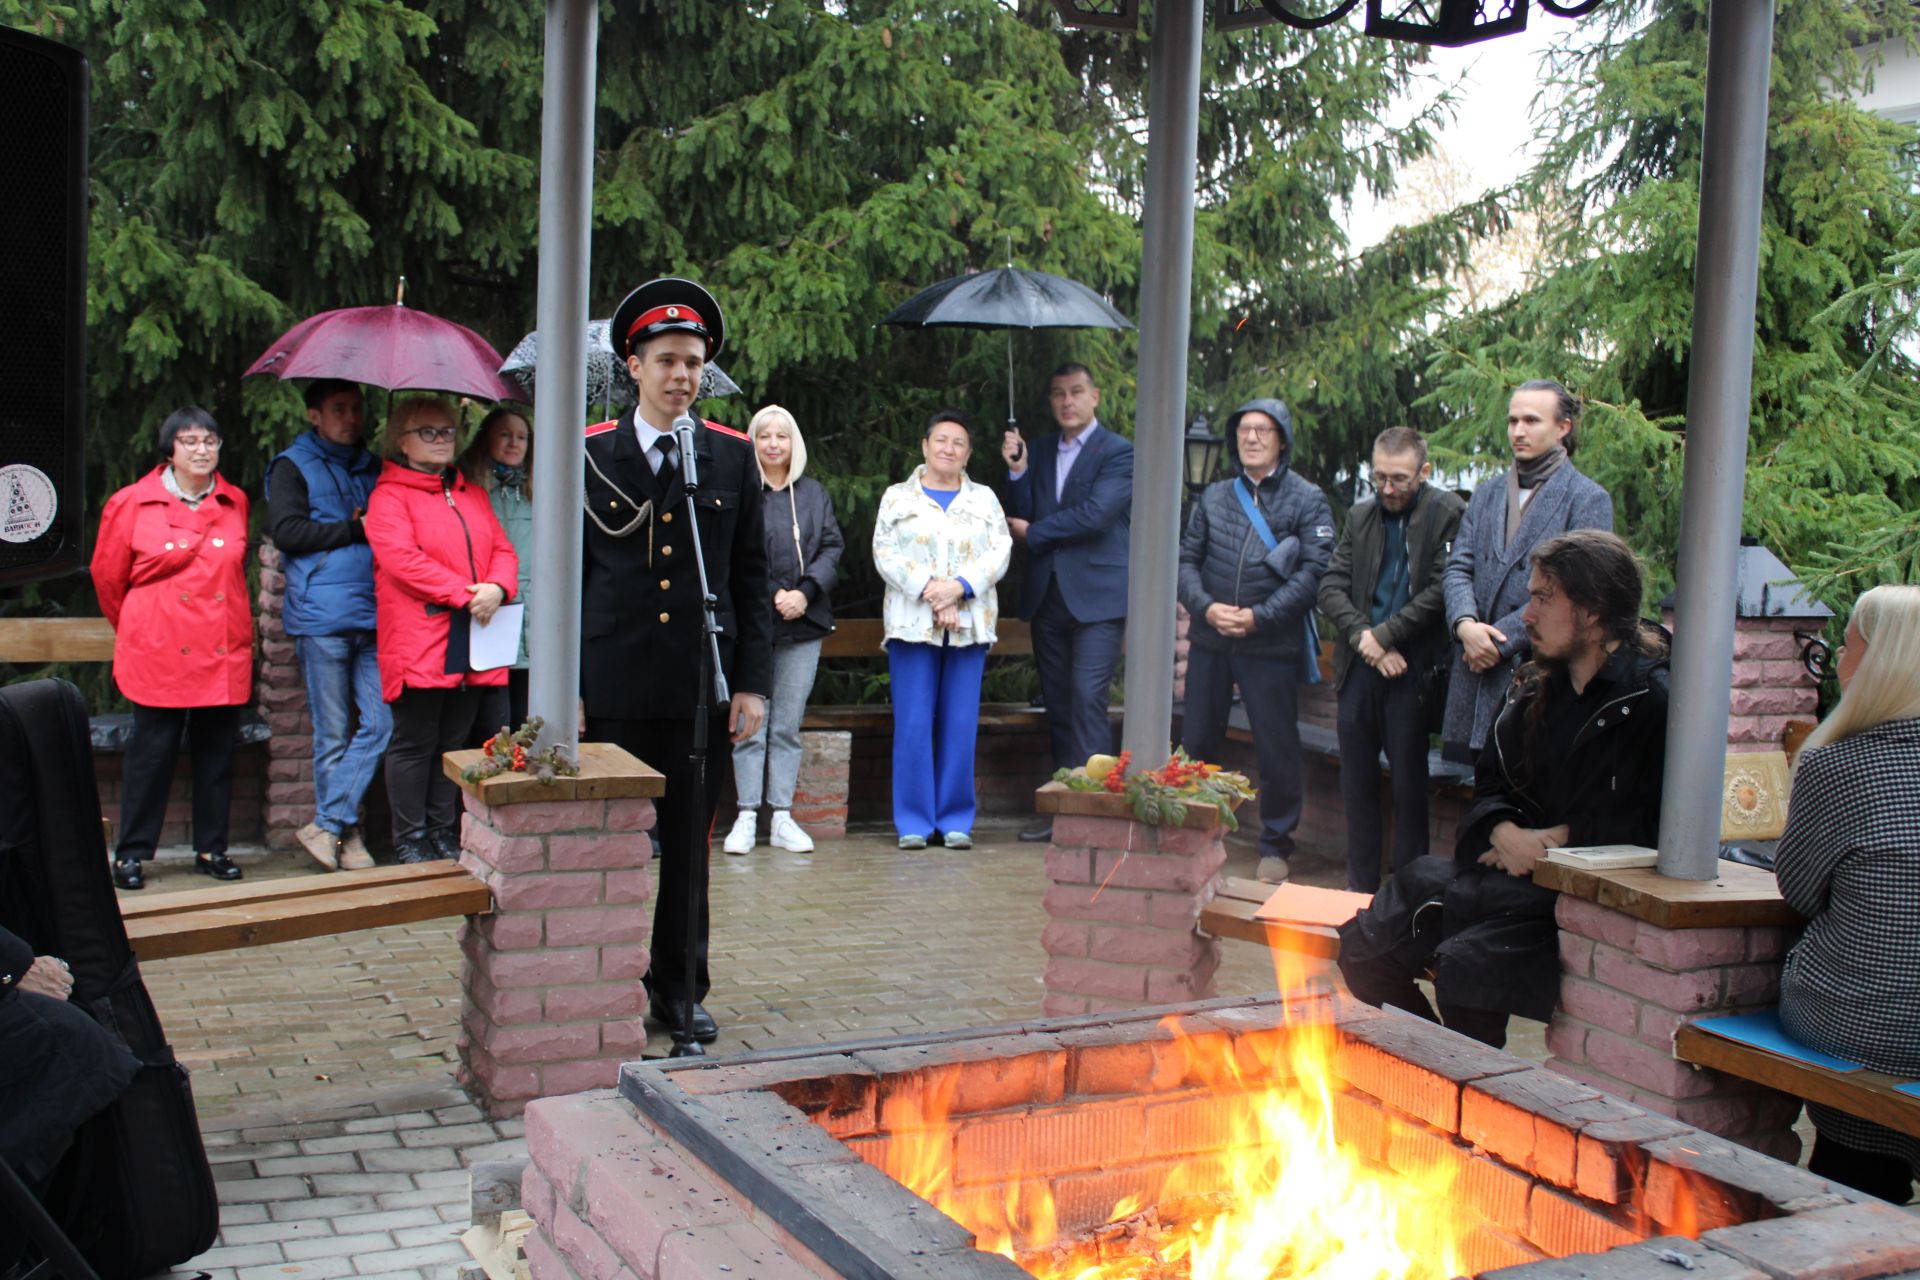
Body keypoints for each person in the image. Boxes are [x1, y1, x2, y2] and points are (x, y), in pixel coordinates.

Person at [1338, 530, 1668, 1050]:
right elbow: (1492, 785)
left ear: (1592, 611)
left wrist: (1562, 840)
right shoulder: (1534, 687)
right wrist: (1503, 828)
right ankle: (1429, 1068)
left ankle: (1471, 1092)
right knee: (1363, 945)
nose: (1527, 614)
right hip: (1504, 882)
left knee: (1466, 968)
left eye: (1542, 598)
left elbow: (1665, 830)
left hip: (1580, 907)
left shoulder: (1653, 702)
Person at [582, 278, 771, 1046]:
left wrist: (752, 681)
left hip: (702, 683)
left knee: (689, 851)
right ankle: (597, 982)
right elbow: (568, 577)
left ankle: (680, 988)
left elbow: (753, 575)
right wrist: (567, 692)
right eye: (665, 360)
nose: (681, 377)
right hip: (615, 683)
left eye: (693, 362)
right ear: (634, 365)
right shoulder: (592, 453)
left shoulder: (728, 457)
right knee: (606, 845)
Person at [1775, 585, 1920, 1204]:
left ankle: (1850, 1208)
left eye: (1848, 644)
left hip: (1860, 1025)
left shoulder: (1837, 765)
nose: (1835, 658)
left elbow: (1799, 892)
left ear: (1881, 662)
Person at [91, 407, 253, 890]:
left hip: (220, 649)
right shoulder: (130, 503)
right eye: (189, 441)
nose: (201, 450)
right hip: (157, 649)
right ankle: (133, 854)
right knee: (151, 756)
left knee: (216, 754)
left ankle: (212, 847)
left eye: (210, 440)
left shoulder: (234, 501)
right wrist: (144, 627)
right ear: (170, 449)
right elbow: (107, 577)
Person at [1177, 398, 1335, 885]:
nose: (1252, 438)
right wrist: (1206, 608)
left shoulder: (1308, 499)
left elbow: (1314, 573)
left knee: (1276, 747)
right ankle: (1193, 834)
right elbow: (1185, 562)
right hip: (1211, 638)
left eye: (1263, 431)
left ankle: (1274, 845)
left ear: (1281, 440)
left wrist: (1258, 618)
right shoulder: (1215, 497)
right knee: (1198, 738)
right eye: (1244, 430)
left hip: (1269, 644)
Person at [363, 396, 519, 865]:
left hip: (472, 636)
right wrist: (468, 593)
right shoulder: (388, 496)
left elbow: (503, 550)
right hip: (421, 637)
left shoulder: (472, 494)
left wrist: (497, 587)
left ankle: (442, 830)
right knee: (414, 741)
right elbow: (401, 562)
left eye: (446, 431)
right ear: (402, 441)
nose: (439, 440)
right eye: (427, 432)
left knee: (454, 740)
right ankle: (409, 838)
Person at [1318, 427, 1468, 891]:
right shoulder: (1361, 515)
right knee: (1357, 787)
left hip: (1413, 673)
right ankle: (1359, 890)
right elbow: (1330, 586)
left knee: (1409, 788)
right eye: (1378, 476)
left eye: (1399, 479)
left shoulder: (1448, 512)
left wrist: (1385, 635)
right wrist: (1366, 637)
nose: (1387, 489)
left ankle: (1408, 893)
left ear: (1424, 472)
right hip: (1359, 669)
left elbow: (1443, 590)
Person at [1441, 380, 1613, 763]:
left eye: (1531, 420)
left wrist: (1497, 643)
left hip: (1535, 674)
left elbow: (1576, 591)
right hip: (1474, 670)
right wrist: (1465, 625)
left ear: (1563, 428)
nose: (1518, 431)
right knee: (1473, 805)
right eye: (1513, 420)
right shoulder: (1487, 494)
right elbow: (1459, 567)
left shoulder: (1587, 499)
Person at [1000, 363, 1134, 843]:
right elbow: (1021, 508)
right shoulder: (1034, 450)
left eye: (1076, 392)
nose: (1067, 401)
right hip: (1048, 595)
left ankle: (1094, 812)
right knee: (1058, 703)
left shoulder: (1119, 452)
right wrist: (1017, 470)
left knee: (1087, 697)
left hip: (1098, 597)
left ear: (1095, 397)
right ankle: (1064, 809)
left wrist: (1037, 533)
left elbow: (1098, 514)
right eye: (1057, 394)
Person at [874, 410, 1013, 851]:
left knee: (959, 724)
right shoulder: (898, 498)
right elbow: (885, 552)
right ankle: (913, 821)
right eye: (941, 440)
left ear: (968, 453)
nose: (949, 448)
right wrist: (934, 592)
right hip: (911, 626)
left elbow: (999, 551)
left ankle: (955, 820)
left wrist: (959, 589)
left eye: (958, 443)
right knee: (913, 724)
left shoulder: (985, 500)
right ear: (925, 446)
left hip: (969, 628)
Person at [267, 378, 389, 873]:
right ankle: (347, 836)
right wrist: (356, 527)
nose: (351, 419)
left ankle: (327, 823)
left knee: (381, 723)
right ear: (314, 415)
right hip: (321, 617)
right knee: (334, 733)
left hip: (377, 614)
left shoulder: (377, 468)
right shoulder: (291, 466)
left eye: (357, 409)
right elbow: (289, 532)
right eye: (339, 410)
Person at [723, 405, 844, 857]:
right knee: (750, 724)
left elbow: (831, 545)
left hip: (803, 624)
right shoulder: (744, 492)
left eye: (782, 436)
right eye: (764, 436)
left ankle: (782, 816)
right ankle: (747, 814)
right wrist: (775, 593)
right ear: (752, 443)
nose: (774, 444)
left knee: (787, 726)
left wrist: (806, 592)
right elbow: (741, 553)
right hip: (756, 624)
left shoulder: (812, 494)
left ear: (795, 444)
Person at [459, 407, 536, 734]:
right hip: (489, 610)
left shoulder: (539, 488)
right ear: (486, 439)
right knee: (488, 724)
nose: (513, 443)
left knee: (525, 718)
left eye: (521, 437)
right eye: (504, 434)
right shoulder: (470, 488)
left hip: (532, 611)